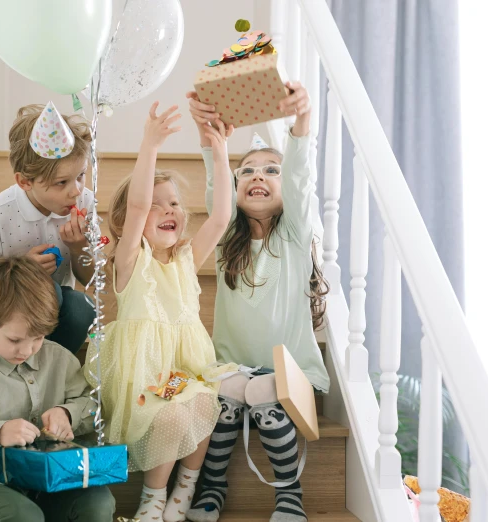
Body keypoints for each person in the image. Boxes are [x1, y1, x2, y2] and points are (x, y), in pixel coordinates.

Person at [185, 82, 330, 522]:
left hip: (291, 373)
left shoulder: (294, 235)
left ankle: (289, 496)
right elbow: (217, 188)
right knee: (227, 390)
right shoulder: (228, 235)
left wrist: (302, 122)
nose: (258, 177)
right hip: (232, 368)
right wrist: (213, 138)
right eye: (247, 171)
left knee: (266, 389)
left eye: (271, 171)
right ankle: (211, 488)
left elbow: (301, 175)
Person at [84, 102, 233, 522]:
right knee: (168, 417)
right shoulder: (132, 260)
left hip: (185, 370)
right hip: (143, 376)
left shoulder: (186, 259)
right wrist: (149, 144)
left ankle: (184, 491)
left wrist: (220, 156)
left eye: (175, 204)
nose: (170, 209)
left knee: (204, 405)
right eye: (159, 203)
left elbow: (221, 217)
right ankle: (152, 498)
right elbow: (136, 207)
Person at [0, 256, 115, 522]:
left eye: (37, 338)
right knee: (24, 517)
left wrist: (67, 413)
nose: (25, 350)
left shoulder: (60, 359)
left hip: (50, 480)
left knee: (98, 502)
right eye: (14, 339)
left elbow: (92, 406)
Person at [0, 102, 95, 353]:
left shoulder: (84, 202)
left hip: (56, 309)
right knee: (45, 289)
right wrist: (19, 270)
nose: (76, 190)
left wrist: (79, 248)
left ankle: (50, 368)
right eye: (61, 182)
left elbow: (90, 279)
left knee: (81, 307)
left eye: (80, 175)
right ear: (24, 182)